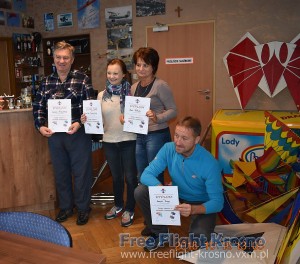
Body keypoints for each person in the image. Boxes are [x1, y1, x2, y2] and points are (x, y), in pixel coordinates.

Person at [134, 116, 224, 251]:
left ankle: (202, 227)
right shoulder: (168, 148)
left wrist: (194, 209)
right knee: (141, 191)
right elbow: (146, 175)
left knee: (199, 239)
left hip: (200, 202)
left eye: (184, 138)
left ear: (196, 140)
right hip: (176, 195)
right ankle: (160, 232)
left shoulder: (210, 164)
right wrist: (162, 190)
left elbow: (217, 202)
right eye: (176, 135)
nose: (178, 142)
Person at [33, 41, 94, 225]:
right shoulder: (45, 81)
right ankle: (66, 207)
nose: (61, 61)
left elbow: (89, 107)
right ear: (53, 59)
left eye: (65, 57)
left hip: (77, 133)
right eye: (58, 57)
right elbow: (38, 107)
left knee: (81, 173)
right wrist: (39, 126)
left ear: (72, 59)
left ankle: (83, 208)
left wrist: (79, 123)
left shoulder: (83, 79)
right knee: (61, 173)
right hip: (55, 135)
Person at [81, 59, 138, 227]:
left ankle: (130, 208)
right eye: (109, 73)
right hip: (109, 141)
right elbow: (96, 119)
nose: (112, 76)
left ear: (123, 75)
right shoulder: (101, 95)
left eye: (116, 73)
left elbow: (138, 117)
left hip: (129, 140)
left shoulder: (131, 94)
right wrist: (86, 118)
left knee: (130, 177)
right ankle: (119, 205)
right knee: (117, 177)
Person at [131, 47, 177, 185]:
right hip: (139, 135)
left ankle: (157, 206)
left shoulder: (161, 85)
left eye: (145, 65)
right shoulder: (134, 87)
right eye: (138, 65)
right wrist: (126, 117)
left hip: (156, 134)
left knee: (155, 175)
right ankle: (147, 206)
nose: (141, 69)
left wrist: (157, 117)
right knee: (142, 174)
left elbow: (173, 110)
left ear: (154, 66)